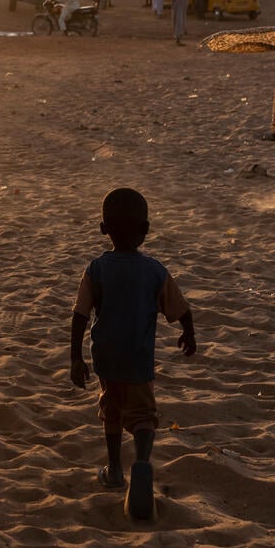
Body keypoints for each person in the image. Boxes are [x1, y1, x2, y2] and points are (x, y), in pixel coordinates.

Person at [69, 187, 195, 520]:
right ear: (145, 231)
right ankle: (141, 460)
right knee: (143, 415)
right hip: (139, 359)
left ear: (103, 229)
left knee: (111, 409)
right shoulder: (154, 271)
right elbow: (181, 309)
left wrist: (75, 357)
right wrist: (189, 334)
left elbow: (80, 314)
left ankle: (114, 470)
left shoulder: (96, 269)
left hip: (106, 359)